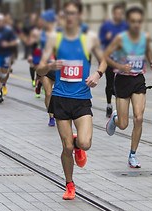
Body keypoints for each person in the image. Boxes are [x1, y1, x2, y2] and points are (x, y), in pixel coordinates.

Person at [36, 0, 107, 200]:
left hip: (82, 98)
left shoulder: (89, 38)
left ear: (80, 16)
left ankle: (78, 144)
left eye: (73, 13)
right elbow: (39, 69)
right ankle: (69, 184)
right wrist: (49, 65)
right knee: (66, 147)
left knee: (85, 143)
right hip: (60, 98)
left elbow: (104, 60)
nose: (70, 17)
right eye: (66, 14)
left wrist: (97, 74)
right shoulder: (54, 38)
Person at [104, 7, 152, 168]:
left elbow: (147, 50)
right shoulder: (120, 38)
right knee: (123, 125)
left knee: (139, 118)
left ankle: (132, 155)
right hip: (122, 80)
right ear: (128, 22)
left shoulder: (145, 37)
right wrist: (120, 65)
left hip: (138, 80)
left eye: (139, 22)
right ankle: (115, 118)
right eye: (133, 21)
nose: (136, 24)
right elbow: (106, 56)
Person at [28, 9, 57, 126]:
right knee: (49, 93)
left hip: (57, 67)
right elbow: (36, 50)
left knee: (56, 93)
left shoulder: (59, 35)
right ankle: (51, 116)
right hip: (45, 67)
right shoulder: (40, 35)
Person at [99, 3, 128, 118]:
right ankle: (109, 104)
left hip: (122, 59)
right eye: (116, 13)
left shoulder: (125, 26)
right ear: (113, 14)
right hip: (110, 60)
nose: (118, 15)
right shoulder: (106, 26)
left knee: (120, 83)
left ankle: (119, 107)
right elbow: (100, 40)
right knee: (110, 83)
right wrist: (106, 38)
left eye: (120, 13)